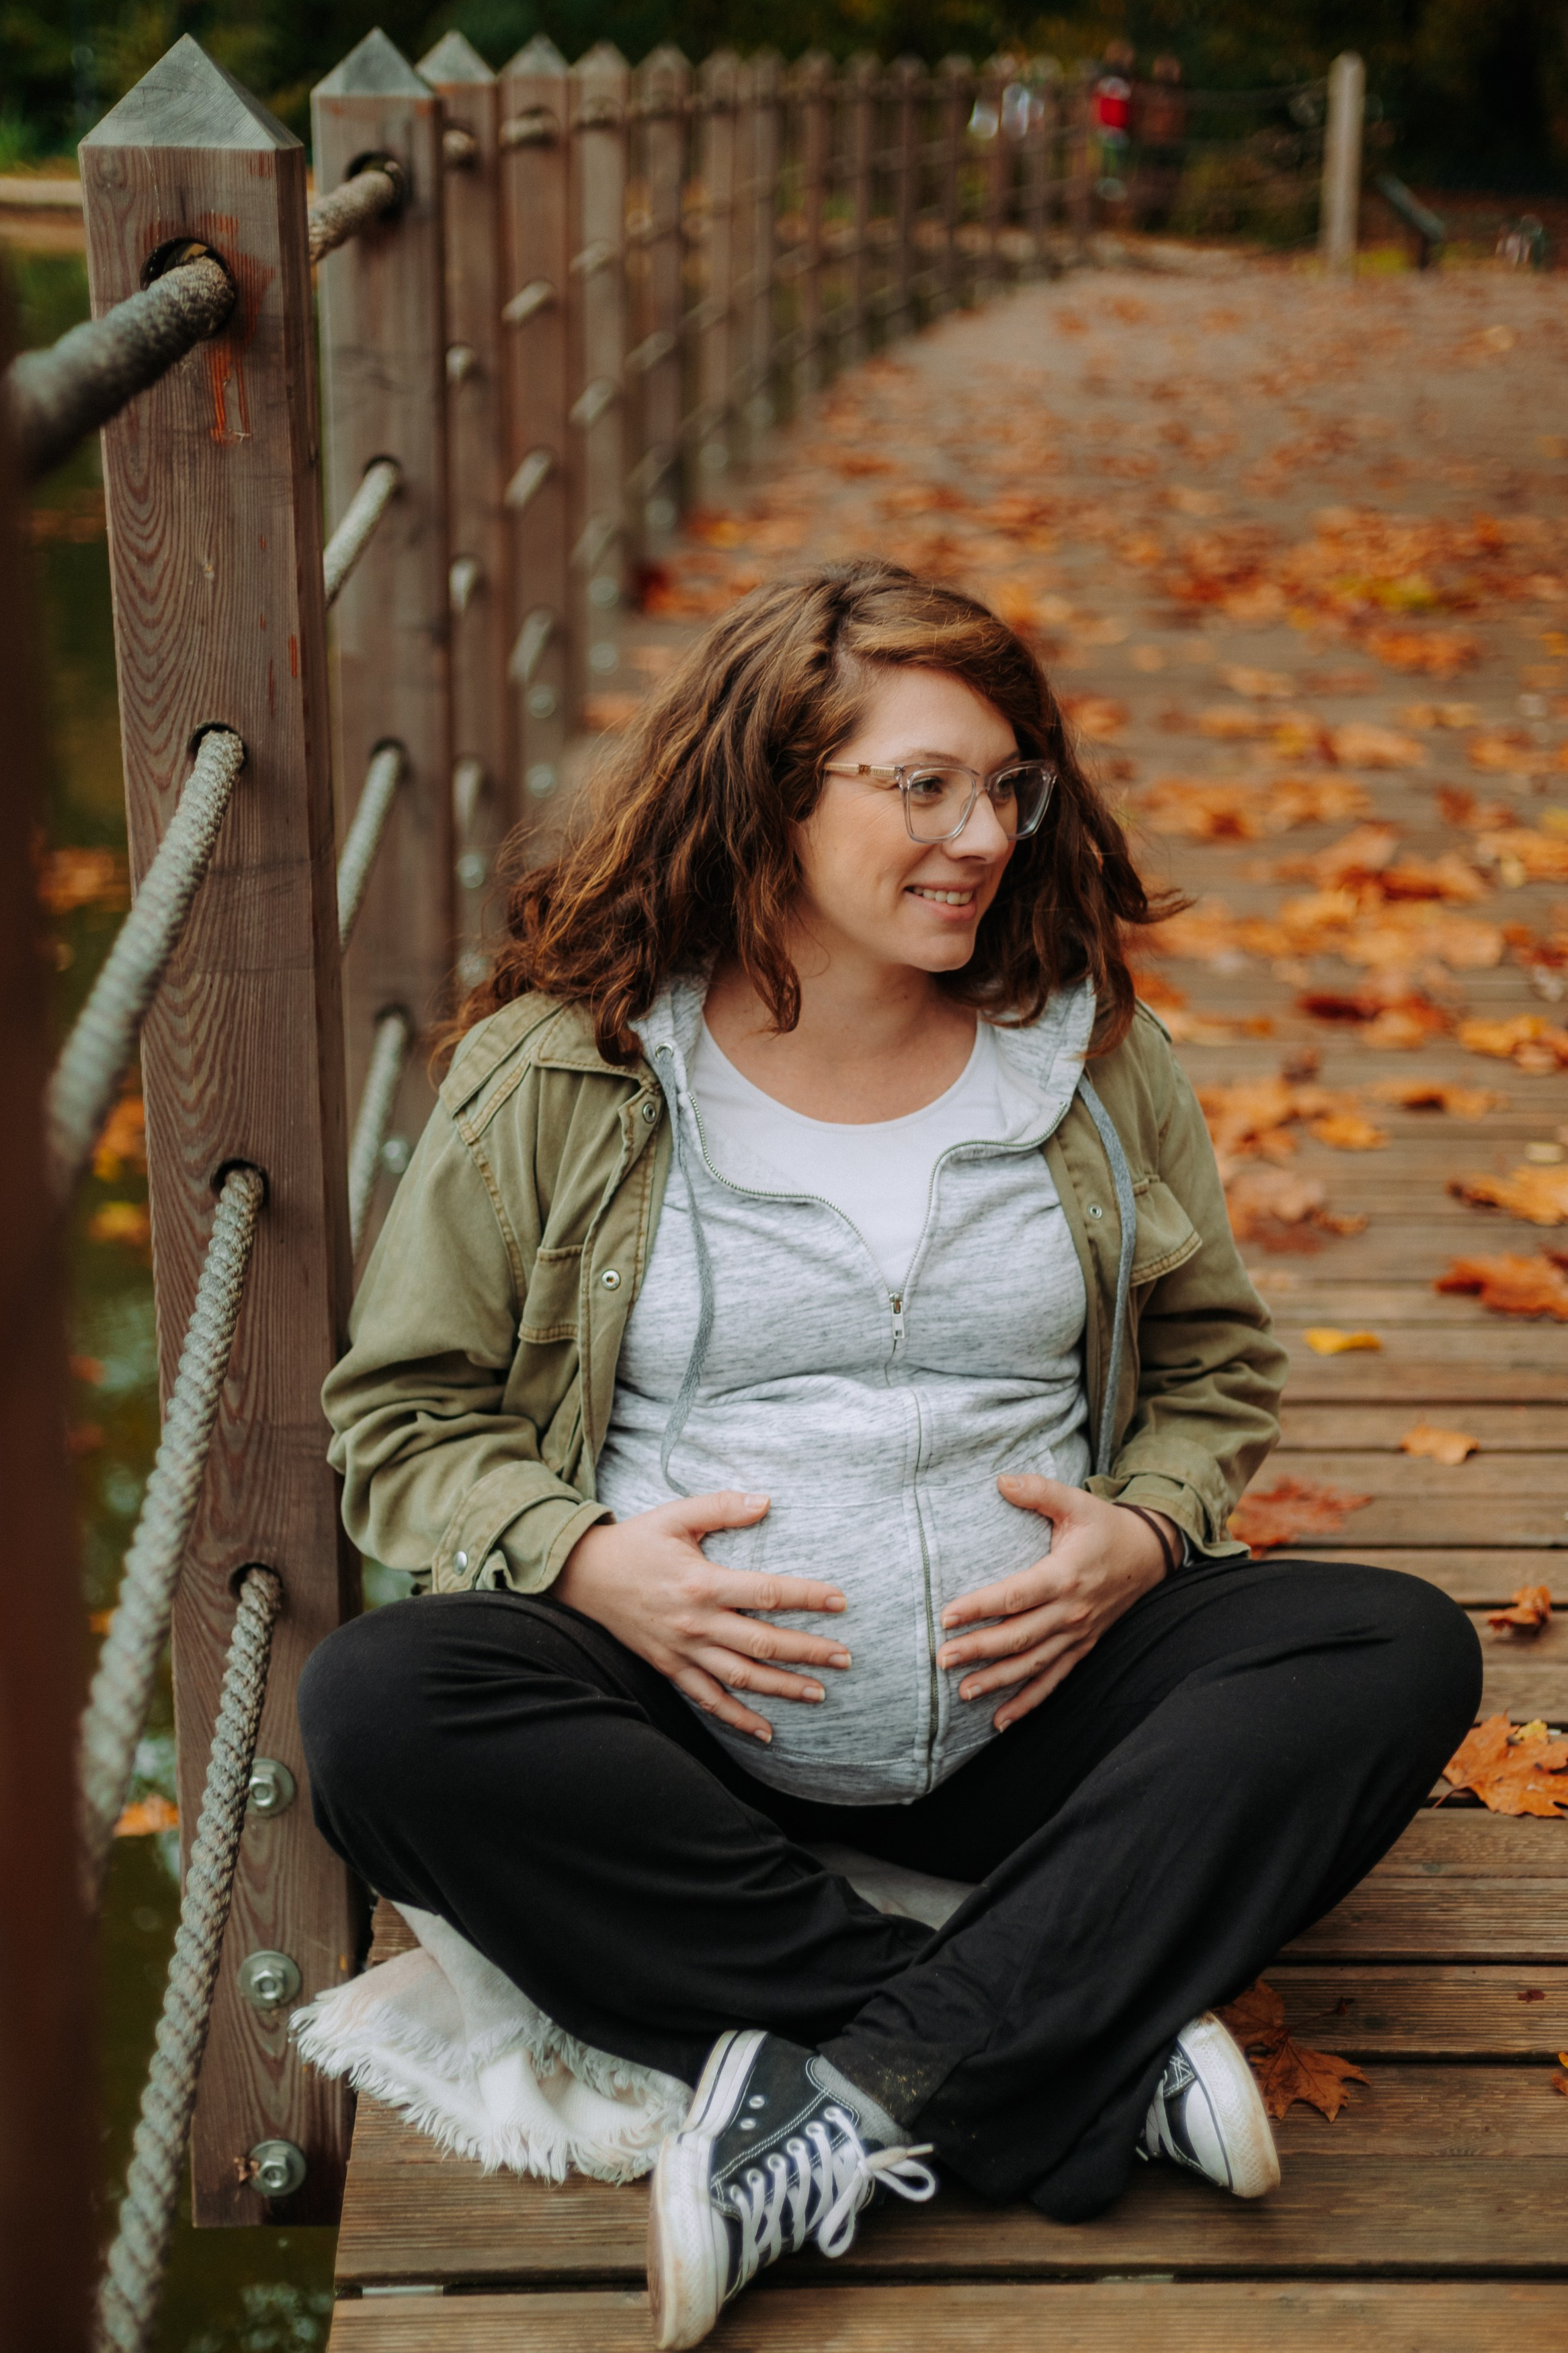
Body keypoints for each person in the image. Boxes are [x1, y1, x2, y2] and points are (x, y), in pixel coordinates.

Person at [298, 563, 1481, 2350]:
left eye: (1009, 786)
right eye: (920, 786)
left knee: (1394, 1647)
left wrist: (1148, 1534)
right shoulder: (570, 1069)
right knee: (384, 1707)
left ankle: (851, 2086)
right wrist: (587, 1553)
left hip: (1038, 1707)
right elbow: (400, 1416)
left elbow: (1218, 1363)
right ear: (770, 785)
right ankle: (1061, 2044)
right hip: (694, 1734)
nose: (983, 834)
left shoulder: (1088, 1057)